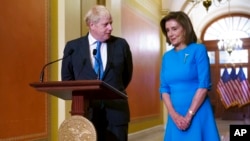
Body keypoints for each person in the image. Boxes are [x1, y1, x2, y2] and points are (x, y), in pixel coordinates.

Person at [61, 5, 133, 141]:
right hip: (85, 114)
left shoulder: (121, 45)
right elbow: (67, 79)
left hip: (116, 114)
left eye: (111, 23)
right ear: (92, 25)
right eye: (106, 24)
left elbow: (126, 76)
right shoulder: (73, 47)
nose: (110, 28)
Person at [159, 11, 220, 141]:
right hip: (175, 116)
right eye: (168, 30)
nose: (170, 34)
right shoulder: (166, 57)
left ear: (185, 29)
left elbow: (203, 86)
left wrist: (188, 116)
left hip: (197, 113)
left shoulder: (198, 50)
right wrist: (174, 115)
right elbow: (164, 88)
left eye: (174, 29)